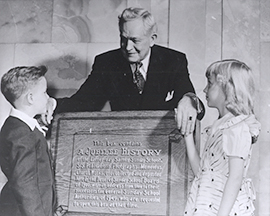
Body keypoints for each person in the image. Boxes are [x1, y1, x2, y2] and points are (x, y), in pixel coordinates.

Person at [46, 7, 204, 135]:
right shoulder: (106, 63)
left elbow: (189, 98)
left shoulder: (173, 60)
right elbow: (83, 102)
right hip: (122, 144)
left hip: (160, 144)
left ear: (152, 39)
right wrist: (51, 104)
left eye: (135, 40)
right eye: (123, 39)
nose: (128, 48)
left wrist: (189, 100)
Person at [183, 59, 261, 215]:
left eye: (210, 84)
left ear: (227, 88)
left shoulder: (237, 127)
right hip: (206, 202)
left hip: (225, 208)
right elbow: (201, 172)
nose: (204, 90)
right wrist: (187, 136)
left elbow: (235, 178)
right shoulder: (215, 128)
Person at [0, 66, 55, 216]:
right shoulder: (21, 134)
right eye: (44, 92)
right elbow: (25, 184)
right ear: (30, 98)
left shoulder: (19, 127)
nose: (48, 97)